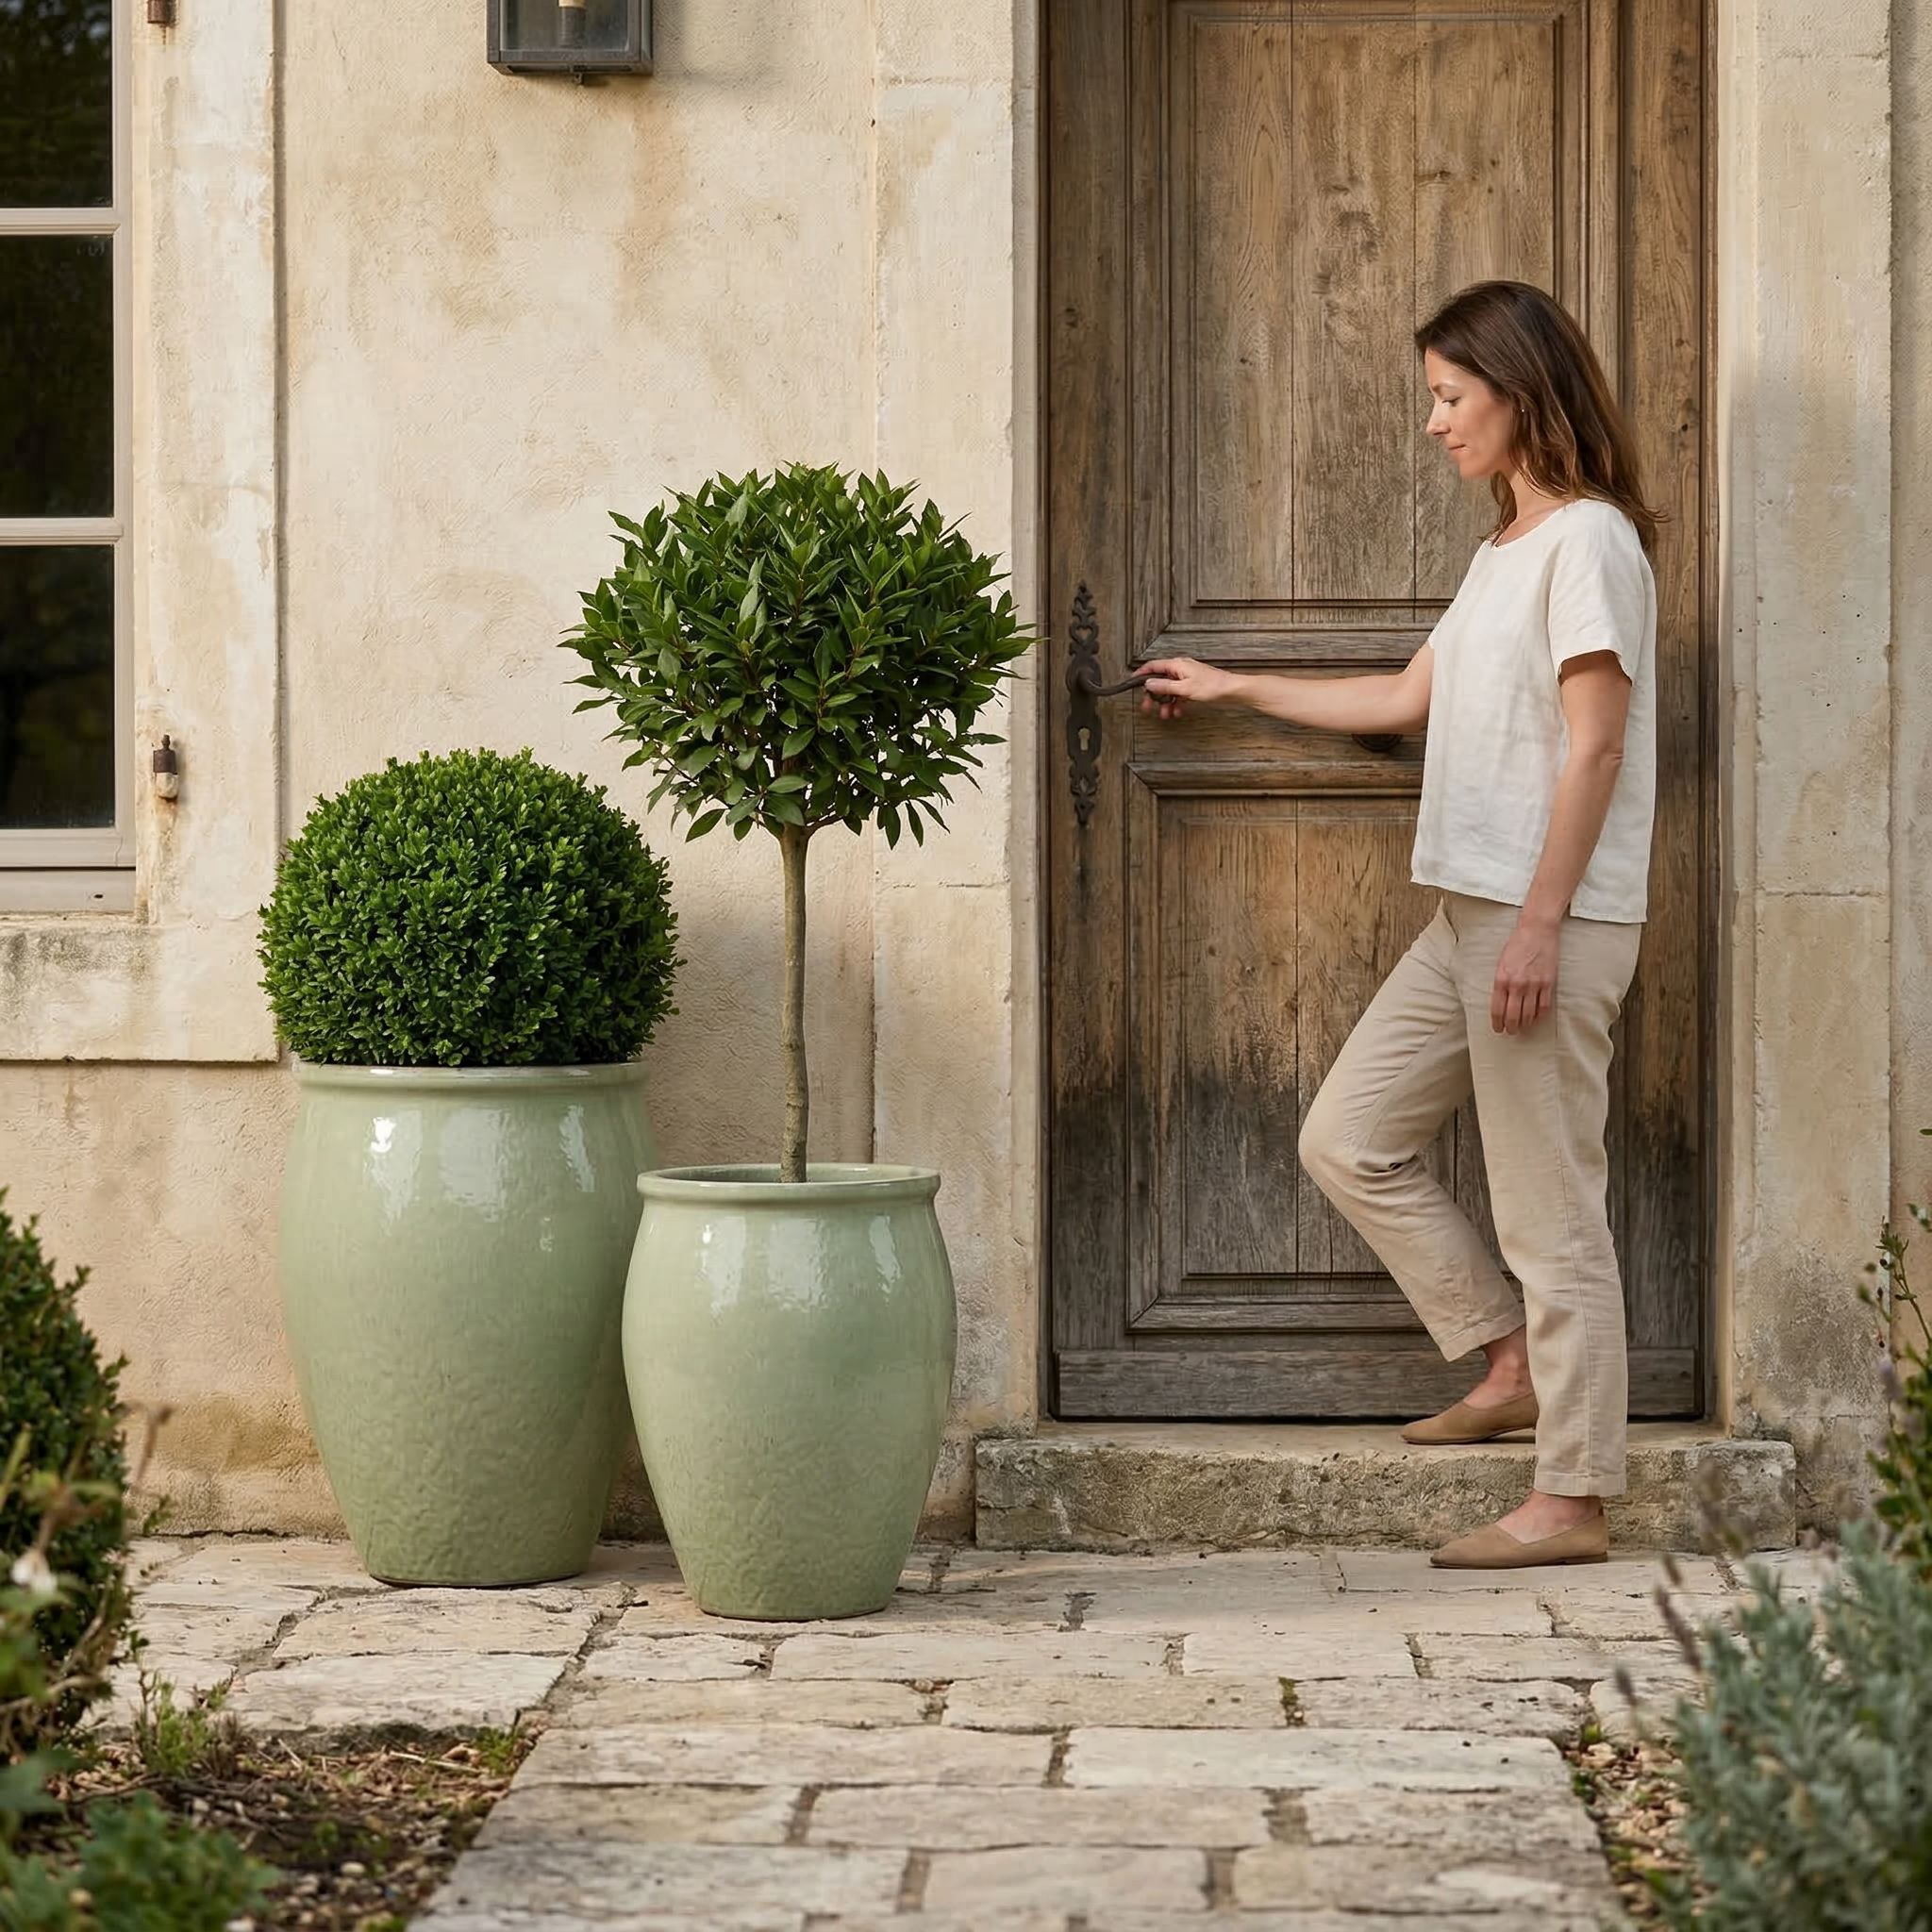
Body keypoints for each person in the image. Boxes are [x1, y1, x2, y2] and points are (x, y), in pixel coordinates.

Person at [1139, 279, 1658, 1570]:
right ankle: (1503, 1359)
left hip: (1546, 919)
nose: (1432, 424)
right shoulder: (1503, 551)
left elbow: (1597, 749)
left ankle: (1574, 1500)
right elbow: (1405, 695)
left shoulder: (1590, 542)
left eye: (1448, 397)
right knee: (1349, 1137)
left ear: (1519, 392)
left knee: (1554, 1215)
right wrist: (1232, 681)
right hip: (1469, 915)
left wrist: (1539, 926)